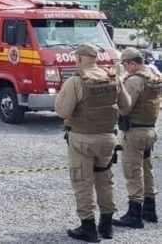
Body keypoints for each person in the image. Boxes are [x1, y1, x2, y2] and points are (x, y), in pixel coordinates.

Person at [56, 43, 131, 242]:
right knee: (105, 180)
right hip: (107, 138)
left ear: (80, 59)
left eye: (75, 58)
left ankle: (87, 227)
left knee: (82, 182)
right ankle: (106, 226)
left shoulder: (76, 81)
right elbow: (126, 106)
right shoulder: (112, 77)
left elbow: (62, 111)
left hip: (82, 138)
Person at [113, 48, 161, 229]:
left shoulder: (134, 80)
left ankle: (134, 215)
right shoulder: (154, 76)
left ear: (132, 63)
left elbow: (125, 108)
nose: (124, 69)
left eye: (125, 65)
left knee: (133, 172)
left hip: (134, 133)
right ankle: (150, 210)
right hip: (149, 130)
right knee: (147, 170)